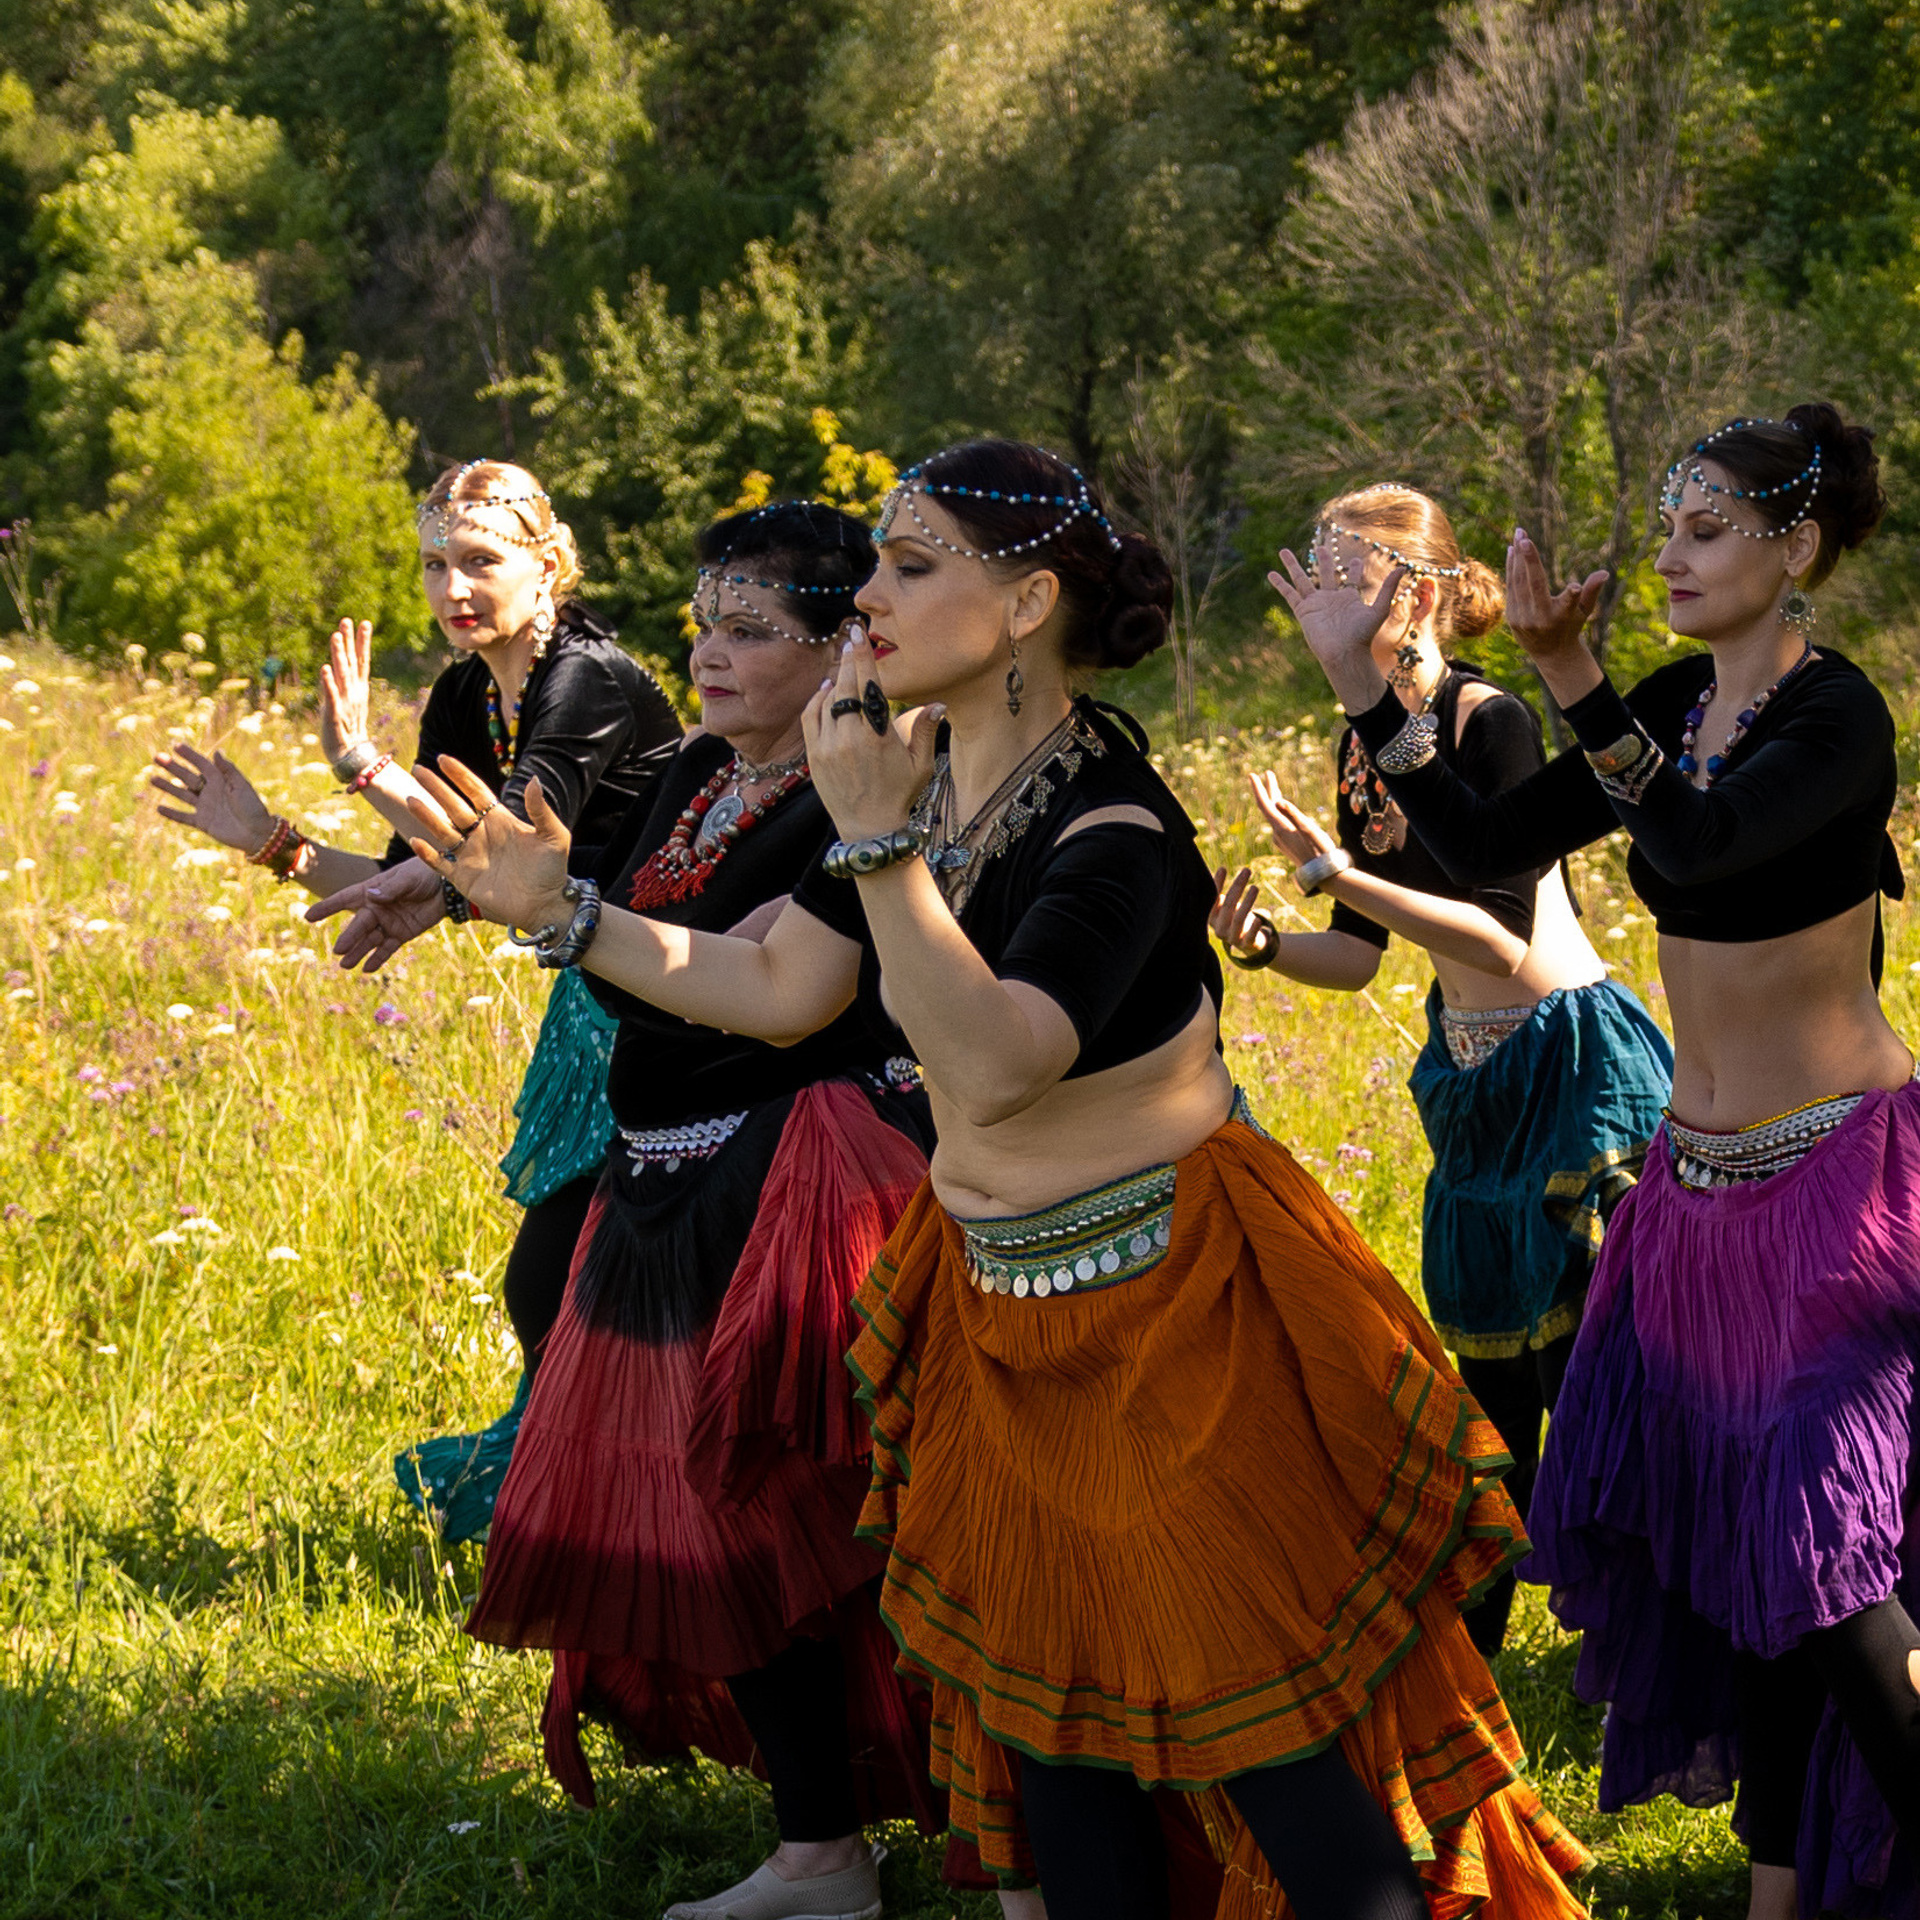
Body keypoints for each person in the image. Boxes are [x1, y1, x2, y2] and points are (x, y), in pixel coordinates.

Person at [408, 441, 1590, 1920]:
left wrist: (878, 842)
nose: (872, 600)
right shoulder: (943, 781)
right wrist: (570, 914)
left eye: (912, 568)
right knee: (1054, 1746)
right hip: (992, 1306)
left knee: (1270, 1745)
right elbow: (782, 988)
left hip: (1170, 1317)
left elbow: (992, 1066)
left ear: (1027, 603)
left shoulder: (1112, 821)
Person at [1273, 405, 1919, 1920]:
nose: (1674, 559)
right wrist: (1362, 692)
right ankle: (1777, 1892)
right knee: (1745, 1562)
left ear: (1798, 549)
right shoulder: (1686, 694)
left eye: (1708, 533)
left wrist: (1570, 673)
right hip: (1699, 1194)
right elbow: (1487, 829)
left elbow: (1695, 850)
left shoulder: (1840, 718)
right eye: (1672, 529)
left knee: (1820, 1553)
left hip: (1839, 1185)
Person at [411, 501, 950, 1920]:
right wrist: (386, 871)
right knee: (722, 1519)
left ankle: (1005, 1824)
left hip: (807, 1178)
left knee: (848, 1520)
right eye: (704, 621)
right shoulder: (700, 765)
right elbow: (549, 885)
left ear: (846, 643)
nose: (707, 652)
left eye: (752, 630)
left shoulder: (873, 784)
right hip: (666, 1178)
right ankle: (820, 1854)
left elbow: (790, 994)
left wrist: (565, 920)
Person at [157, 458, 681, 1541]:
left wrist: (358, 761)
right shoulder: (460, 694)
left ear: (549, 564)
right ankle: (584, 1516)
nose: (455, 587)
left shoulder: (590, 681)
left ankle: (628, 1518)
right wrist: (270, 840)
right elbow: (420, 881)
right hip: (594, 1012)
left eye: (483, 561)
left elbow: (496, 855)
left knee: (580, 1286)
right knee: (559, 1288)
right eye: (436, 563)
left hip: (695, 999)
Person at [1212, 482, 1672, 1655]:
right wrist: (1270, 944)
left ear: (1413, 591)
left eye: (1342, 574)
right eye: (1308, 570)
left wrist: (1340, 878)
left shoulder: (1489, 719)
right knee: (1491, 1394)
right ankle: (1469, 1661)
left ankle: (1660, 1643)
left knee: (1592, 1379)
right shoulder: (1358, 745)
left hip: (1569, 1064)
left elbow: (1505, 940)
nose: (1315, 595)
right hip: (1468, 1082)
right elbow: (1360, 962)